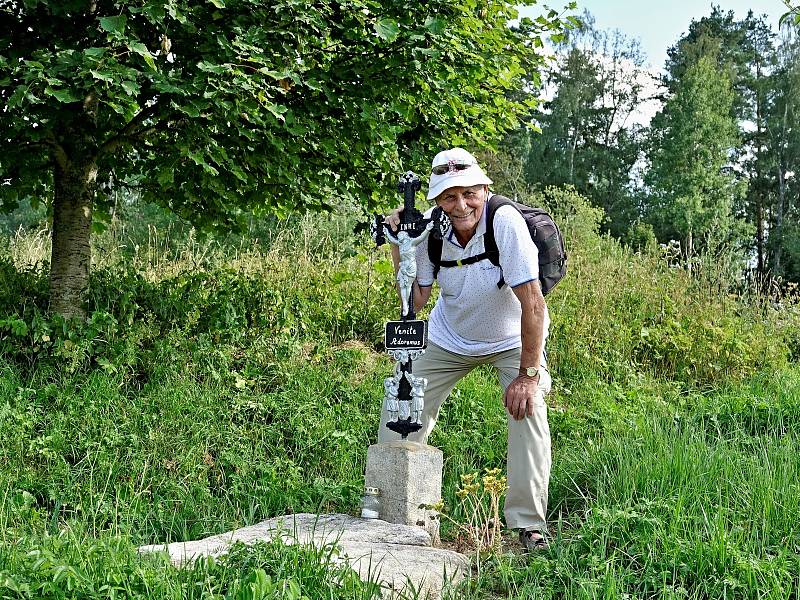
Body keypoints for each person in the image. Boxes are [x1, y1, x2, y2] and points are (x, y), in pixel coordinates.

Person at [382, 147, 553, 551]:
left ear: (484, 188)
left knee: (527, 410)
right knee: (403, 402)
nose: (460, 205)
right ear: (436, 201)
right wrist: (401, 242)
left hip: (513, 339)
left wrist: (528, 376)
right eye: (448, 197)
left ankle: (529, 526)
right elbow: (417, 298)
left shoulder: (504, 222)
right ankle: (397, 512)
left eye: (469, 193)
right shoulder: (430, 229)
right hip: (450, 336)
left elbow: (533, 303)